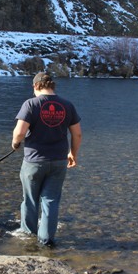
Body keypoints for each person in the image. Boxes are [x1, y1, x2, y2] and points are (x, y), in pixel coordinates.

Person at [11, 72, 82, 247]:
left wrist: (15, 144)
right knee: (51, 200)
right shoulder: (67, 105)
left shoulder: (30, 104)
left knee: (30, 199)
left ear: (36, 86)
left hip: (34, 161)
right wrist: (73, 153)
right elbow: (77, 134)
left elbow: (19, 132)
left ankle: (28, 236)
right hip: (58, 161)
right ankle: (46, 241)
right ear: (52, 86)